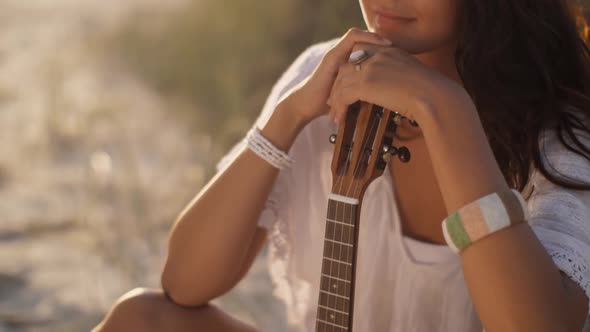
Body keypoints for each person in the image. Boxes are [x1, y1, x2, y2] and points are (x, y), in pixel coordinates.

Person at [93, 0, 590, 331]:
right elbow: (184, 282)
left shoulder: (562, 136)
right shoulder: (327, 72)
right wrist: (287, 117)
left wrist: (444, 109)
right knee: (141, 319)